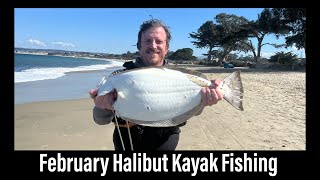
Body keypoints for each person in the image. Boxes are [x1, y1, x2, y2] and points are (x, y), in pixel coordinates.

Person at [89, 19, 223, 151]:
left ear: (166, 48)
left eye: (159, 41)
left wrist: (204, 101)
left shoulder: (178, 76)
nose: (153, 46)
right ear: (139, 46)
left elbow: (190, 109)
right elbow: (100, 120)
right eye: (147, 41)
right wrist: (102, 107)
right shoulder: (118, 77)